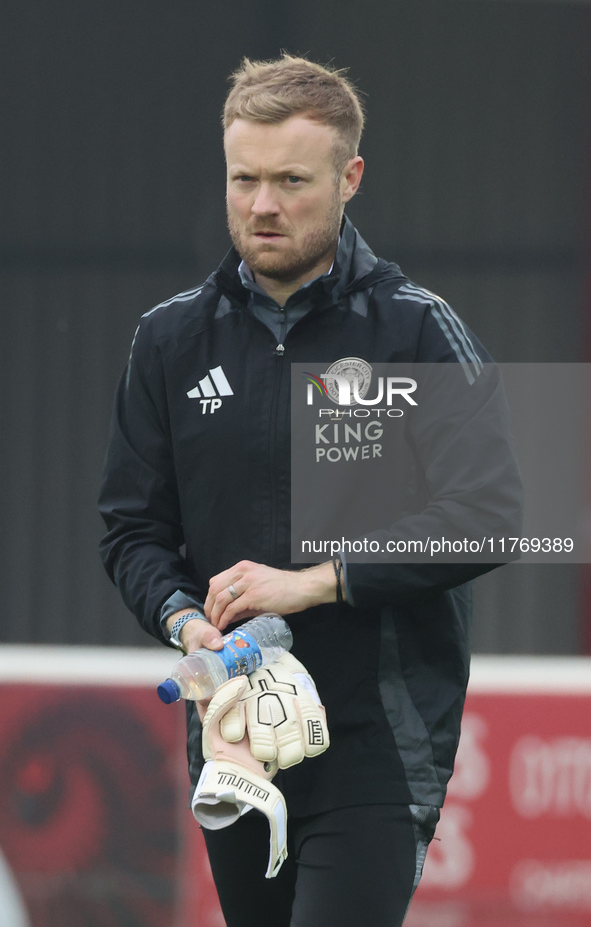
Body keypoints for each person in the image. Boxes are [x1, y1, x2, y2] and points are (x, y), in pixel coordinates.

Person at [98, 54, 522, 927]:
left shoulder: (414, 326)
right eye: (243, 178)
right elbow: (131, 532)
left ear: (348, 177)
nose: (262, 204)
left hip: (377, 739)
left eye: (291, 180)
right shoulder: (168, 339)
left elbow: (494, 514)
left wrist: (316, 580)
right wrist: (189, 624)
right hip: (235, 732)